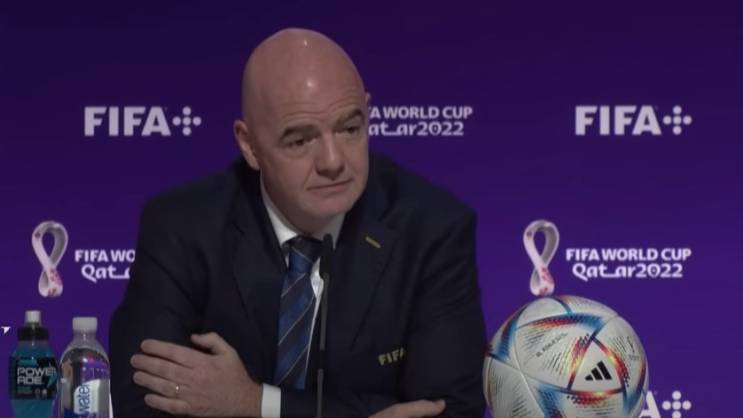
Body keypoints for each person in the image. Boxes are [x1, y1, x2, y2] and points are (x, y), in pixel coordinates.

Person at [109, 28, 485, 418]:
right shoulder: (183, 228)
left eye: (349, 129)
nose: (333, 161)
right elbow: (143, 403)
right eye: (300, 141)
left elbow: (451, 412)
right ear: (249, 145)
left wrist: (253, 403)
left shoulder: (432, 230)